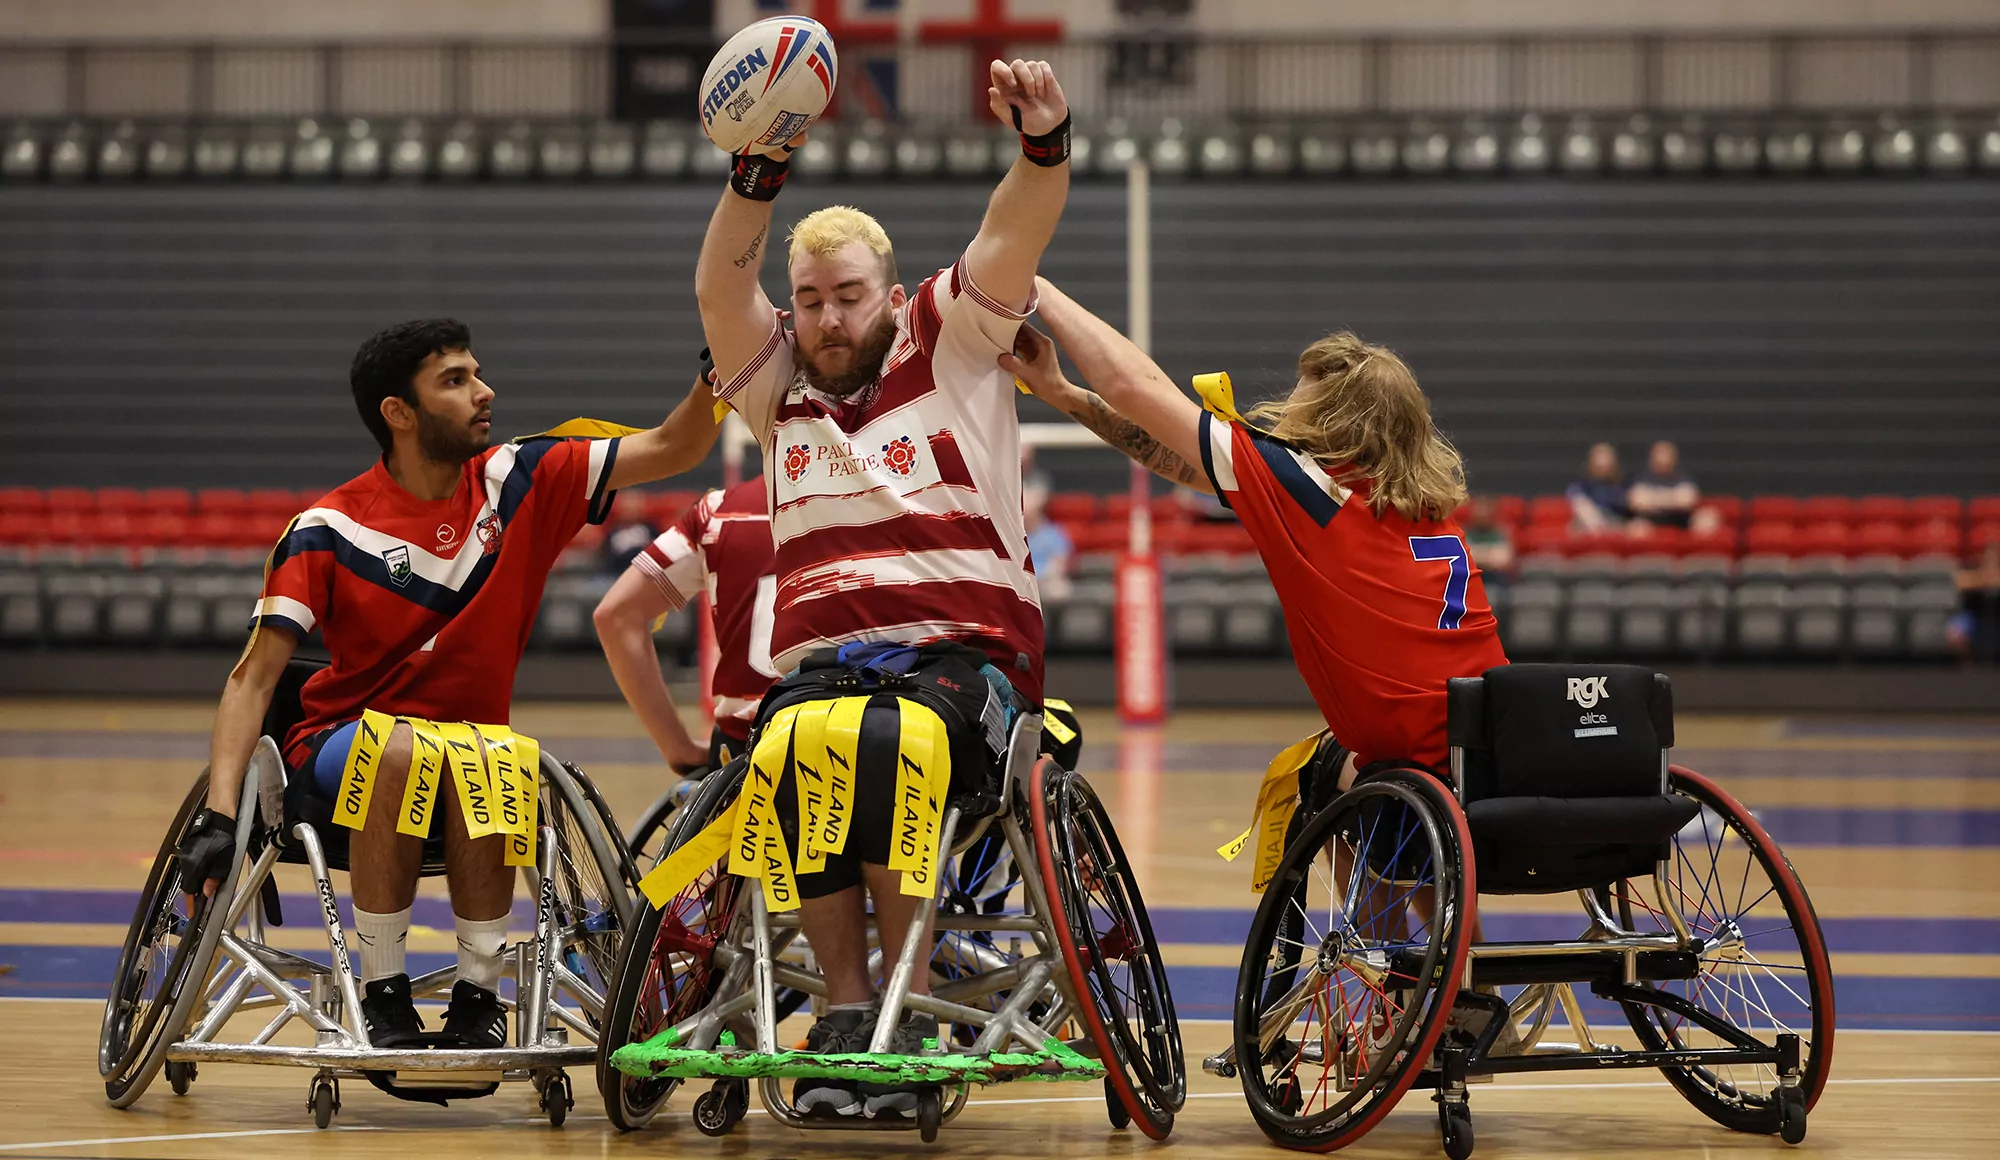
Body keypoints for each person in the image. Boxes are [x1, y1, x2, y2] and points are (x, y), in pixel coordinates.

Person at [694, 58, 1072, 1117]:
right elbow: (723, 285)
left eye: (846, 295)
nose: (824, 317)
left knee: (883, 738)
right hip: (827, 675)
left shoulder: (948, 343)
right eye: (808, 300)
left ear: (889, 296)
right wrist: (755, 171)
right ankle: (850, 1009)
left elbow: (1014, 229)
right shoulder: (777, 397)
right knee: (791, 746)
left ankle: (902, 998)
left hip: (969, 670)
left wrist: (1042, 143)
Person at [174, 319, 720, 1051]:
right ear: (398, 412)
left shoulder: (522, 476)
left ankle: (478, 996)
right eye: (455, 381)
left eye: (476, 372)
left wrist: (718, 381)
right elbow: (252, 679)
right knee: (403, 749)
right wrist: (217, 811)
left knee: (493, 754)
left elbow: (675, 446)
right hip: (336, 757)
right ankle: (383, 992)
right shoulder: (326, 528)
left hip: (471, 755)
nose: (483, 391)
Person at [1005, 284, 1517, 1046]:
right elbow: (1181, 463)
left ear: (1336, 421)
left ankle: (1392, 992)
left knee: (1335, 784)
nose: (1286, 413)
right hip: (1494, 748)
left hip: (1411, 762)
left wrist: (1036, 284)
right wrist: (1062, 394)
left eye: (1303, 401)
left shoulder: (1314, 493)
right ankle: (1457, 978)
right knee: (1341, 771)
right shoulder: (1417, 503)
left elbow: (1136, 390)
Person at [593, 479, 778, 774]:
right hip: (854, 739)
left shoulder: (718, 510)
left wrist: (678, 748)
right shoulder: (874, 498)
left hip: (746, 751)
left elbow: (615, 615)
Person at [1626, 440, 1699, 531]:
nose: (1663, 459)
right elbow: (1637, 502)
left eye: (1667, 455)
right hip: (1649, 521)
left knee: (1706, 520)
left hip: (1680, 521)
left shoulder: (1682, 477)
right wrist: (1673, 498)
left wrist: (1653, 499)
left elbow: (1687, 501)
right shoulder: (1642, 477)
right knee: (1636, 527)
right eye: (1659, 455)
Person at [1022, 477, 1074, 599]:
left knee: (1059, 589)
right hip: (1020, 582)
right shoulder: (1012, 535)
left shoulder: (1054, 534)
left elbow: (1061, 563)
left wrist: (1040, 578)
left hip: (1046, 583)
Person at [1566, 441, 1631, 535]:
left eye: (1606, 457)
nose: (1603, 462)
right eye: (1599, 458)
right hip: (1591, 528)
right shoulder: (1582, 485)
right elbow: (1576, 499)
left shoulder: (1623, 485)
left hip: (1620, 528)